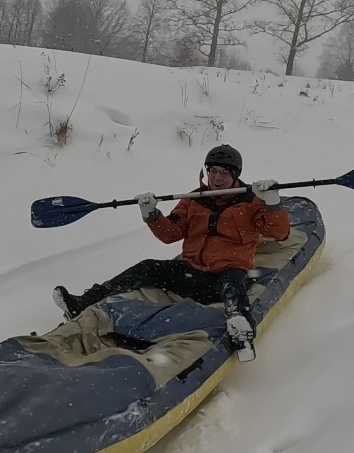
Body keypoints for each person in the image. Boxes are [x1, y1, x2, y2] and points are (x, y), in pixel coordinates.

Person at [53, 144, 290, 361]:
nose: (217, 179)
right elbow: (170, 234)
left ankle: (241, 332)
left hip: (226, 274)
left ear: (235, 175)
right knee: (148, 267)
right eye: (213, 171)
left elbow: (279, 233)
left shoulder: (252, 202)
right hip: (191, 273)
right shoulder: (193, 200)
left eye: (224, 173)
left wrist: (271, 203)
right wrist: (152, 214)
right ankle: (84, 302)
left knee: (234, 282)